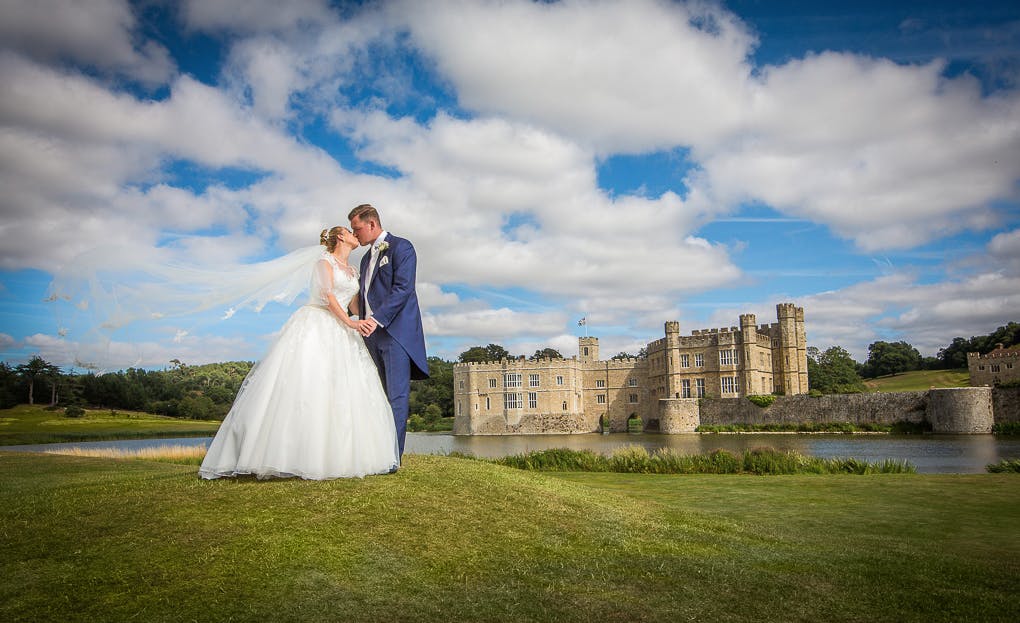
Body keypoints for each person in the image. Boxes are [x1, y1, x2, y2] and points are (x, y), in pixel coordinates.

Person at [199, 227, 399, 480]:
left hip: (343, 331)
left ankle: (337, 457)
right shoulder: (323, 262)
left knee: (342, 390)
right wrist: (350, 323)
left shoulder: (353, 271)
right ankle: (286, 455)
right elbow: (327, 296)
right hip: (317, 324)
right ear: (340, 237)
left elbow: (354, 305)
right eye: (350, 232)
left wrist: (371, 320)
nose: (355, 235)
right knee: (305, 384)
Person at [348, 204, 429, 462]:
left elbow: (403, 289)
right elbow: (364, 296)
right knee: (376, 394)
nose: (355, 234)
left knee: (396, 396)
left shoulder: (402, 247)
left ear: (371, 224)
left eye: (357, 228)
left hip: (395, 333)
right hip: (369, 335)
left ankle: (393, 457)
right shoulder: (363, 258)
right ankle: (376, 451)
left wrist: (377, 320)